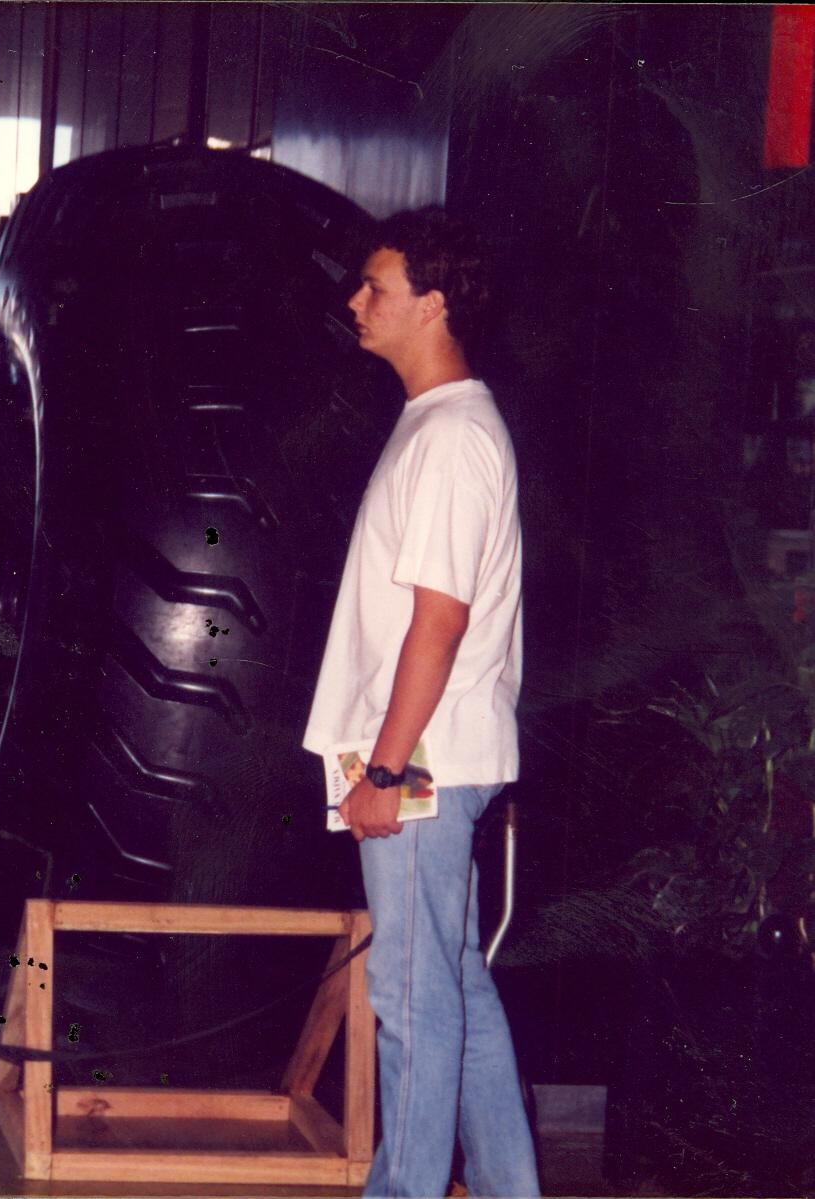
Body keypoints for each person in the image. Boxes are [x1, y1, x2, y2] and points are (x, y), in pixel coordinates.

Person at [301, 207, 535, 1198]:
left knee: (408, 997)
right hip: (436, 754)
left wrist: (386, 771)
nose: (356, 301)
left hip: (423, 760)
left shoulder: (449, 438)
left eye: (377, 287)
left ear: (432, 304)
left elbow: (436, 624)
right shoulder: (438, 424)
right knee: (451, 987)